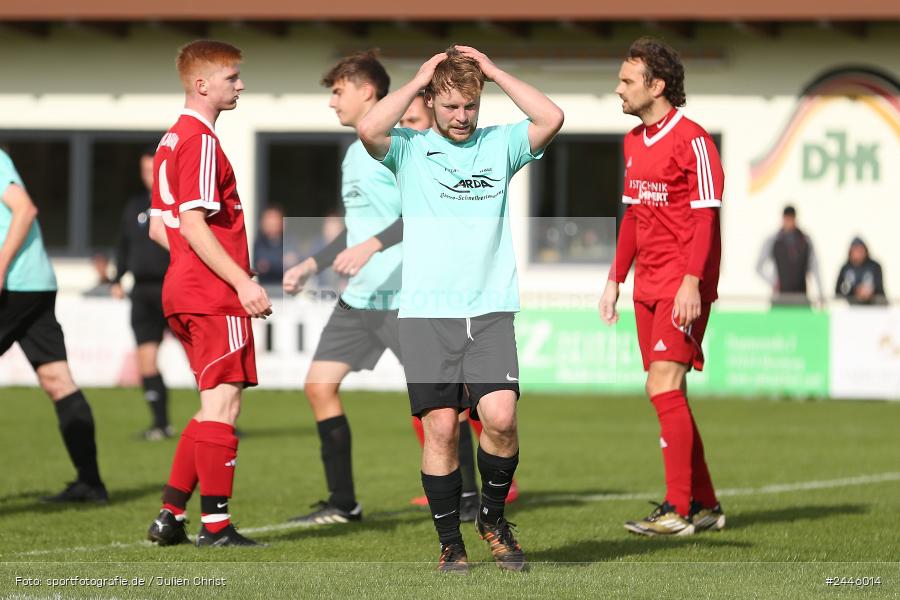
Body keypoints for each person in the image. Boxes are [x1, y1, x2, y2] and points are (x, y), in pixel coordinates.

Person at [358, 45, 564, 572]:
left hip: (490, 311)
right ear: (431, 102)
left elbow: (551, 117)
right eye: (450, 106)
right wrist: (418, 78)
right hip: (427, 316)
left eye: (470, 105)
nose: (461, 116)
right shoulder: (409, 148)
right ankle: (451, 543)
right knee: (442, 430)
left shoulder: (500, 144)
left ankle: (493, 521)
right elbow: (368, 128)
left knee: (501, 417)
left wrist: (493, 72)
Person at [145, 40, 272, 548]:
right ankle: (215, 526)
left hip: (183, 289)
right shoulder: (199, 141)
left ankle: (170, 515)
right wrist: (240, 279)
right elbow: (194, 222)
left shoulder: (170, 140)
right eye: (232, 77)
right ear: (202, 85)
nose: (240, 85)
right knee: (224, 407)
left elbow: (160, 228)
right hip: (212, 294)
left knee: (209, 408)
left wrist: (192, 263)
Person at [599, 37, 726, 537]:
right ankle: (706, 505)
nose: (619, 89)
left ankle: (678, 509)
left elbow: (706, 218)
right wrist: (615, 279)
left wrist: (693, 282)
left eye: (627, 80)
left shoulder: (693, 140)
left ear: (657, 85)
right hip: (647, 286)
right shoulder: (633, 142)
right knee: (671, 392)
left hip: (681, 285)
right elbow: (634, 216)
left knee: (662, 386)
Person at [282, 50, 412, 526]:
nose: (332, 101)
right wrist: (312, 264)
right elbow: (356, 232)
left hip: (404, 296)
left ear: (367, 92)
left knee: (439, 402)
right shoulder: (354, 153)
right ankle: (343, 503)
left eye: (339, 91)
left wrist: (373, 246)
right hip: (360, 298)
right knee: (318, 387)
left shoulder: (400, 146)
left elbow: (423, 215)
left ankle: (466, 498)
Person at [0, 148, 108, 503]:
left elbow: (25, 210)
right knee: (57, 379)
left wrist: (0, 266)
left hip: (15, 285)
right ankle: (90, 484)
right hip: (35, 284)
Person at [110, 148, 174, 440]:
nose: (150, 176)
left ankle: (220, 419)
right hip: (142, 292)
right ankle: (160, 424)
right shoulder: (135, 205)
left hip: (173, 287)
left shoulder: (179, 204)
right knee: (146, 358)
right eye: (146, 171)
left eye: (154, 170)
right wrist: (117, 278)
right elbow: (123, 244)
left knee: (198, 357)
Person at [756, 205, 825, 307]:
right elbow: (758, 267)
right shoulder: (773, 240)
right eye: (786, 219)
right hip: (780, 297)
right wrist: (773, 282)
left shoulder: (805, 240)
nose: (789, 222)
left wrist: (821, 295)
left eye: (791, 219)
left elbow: (815, 268)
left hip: (801, 296)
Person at [253, 204, 296, 286]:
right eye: (269, 220)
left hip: (286, 289)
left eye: (274, 219)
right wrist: (282, 261)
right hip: (266, 288)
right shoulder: (259, 242)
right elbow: (262, 265)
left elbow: (295, 262)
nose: (271, 223)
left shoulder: (290, 240)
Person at [835, 237, 886, 305]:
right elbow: (838, 291)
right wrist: (855, 291)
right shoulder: (846, 268)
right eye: (855, 250)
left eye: (860, 250)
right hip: (851, 307)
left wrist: (870, 291)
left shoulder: (874, 267)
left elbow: (880, 289)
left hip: (873, 306)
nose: (858, 254)